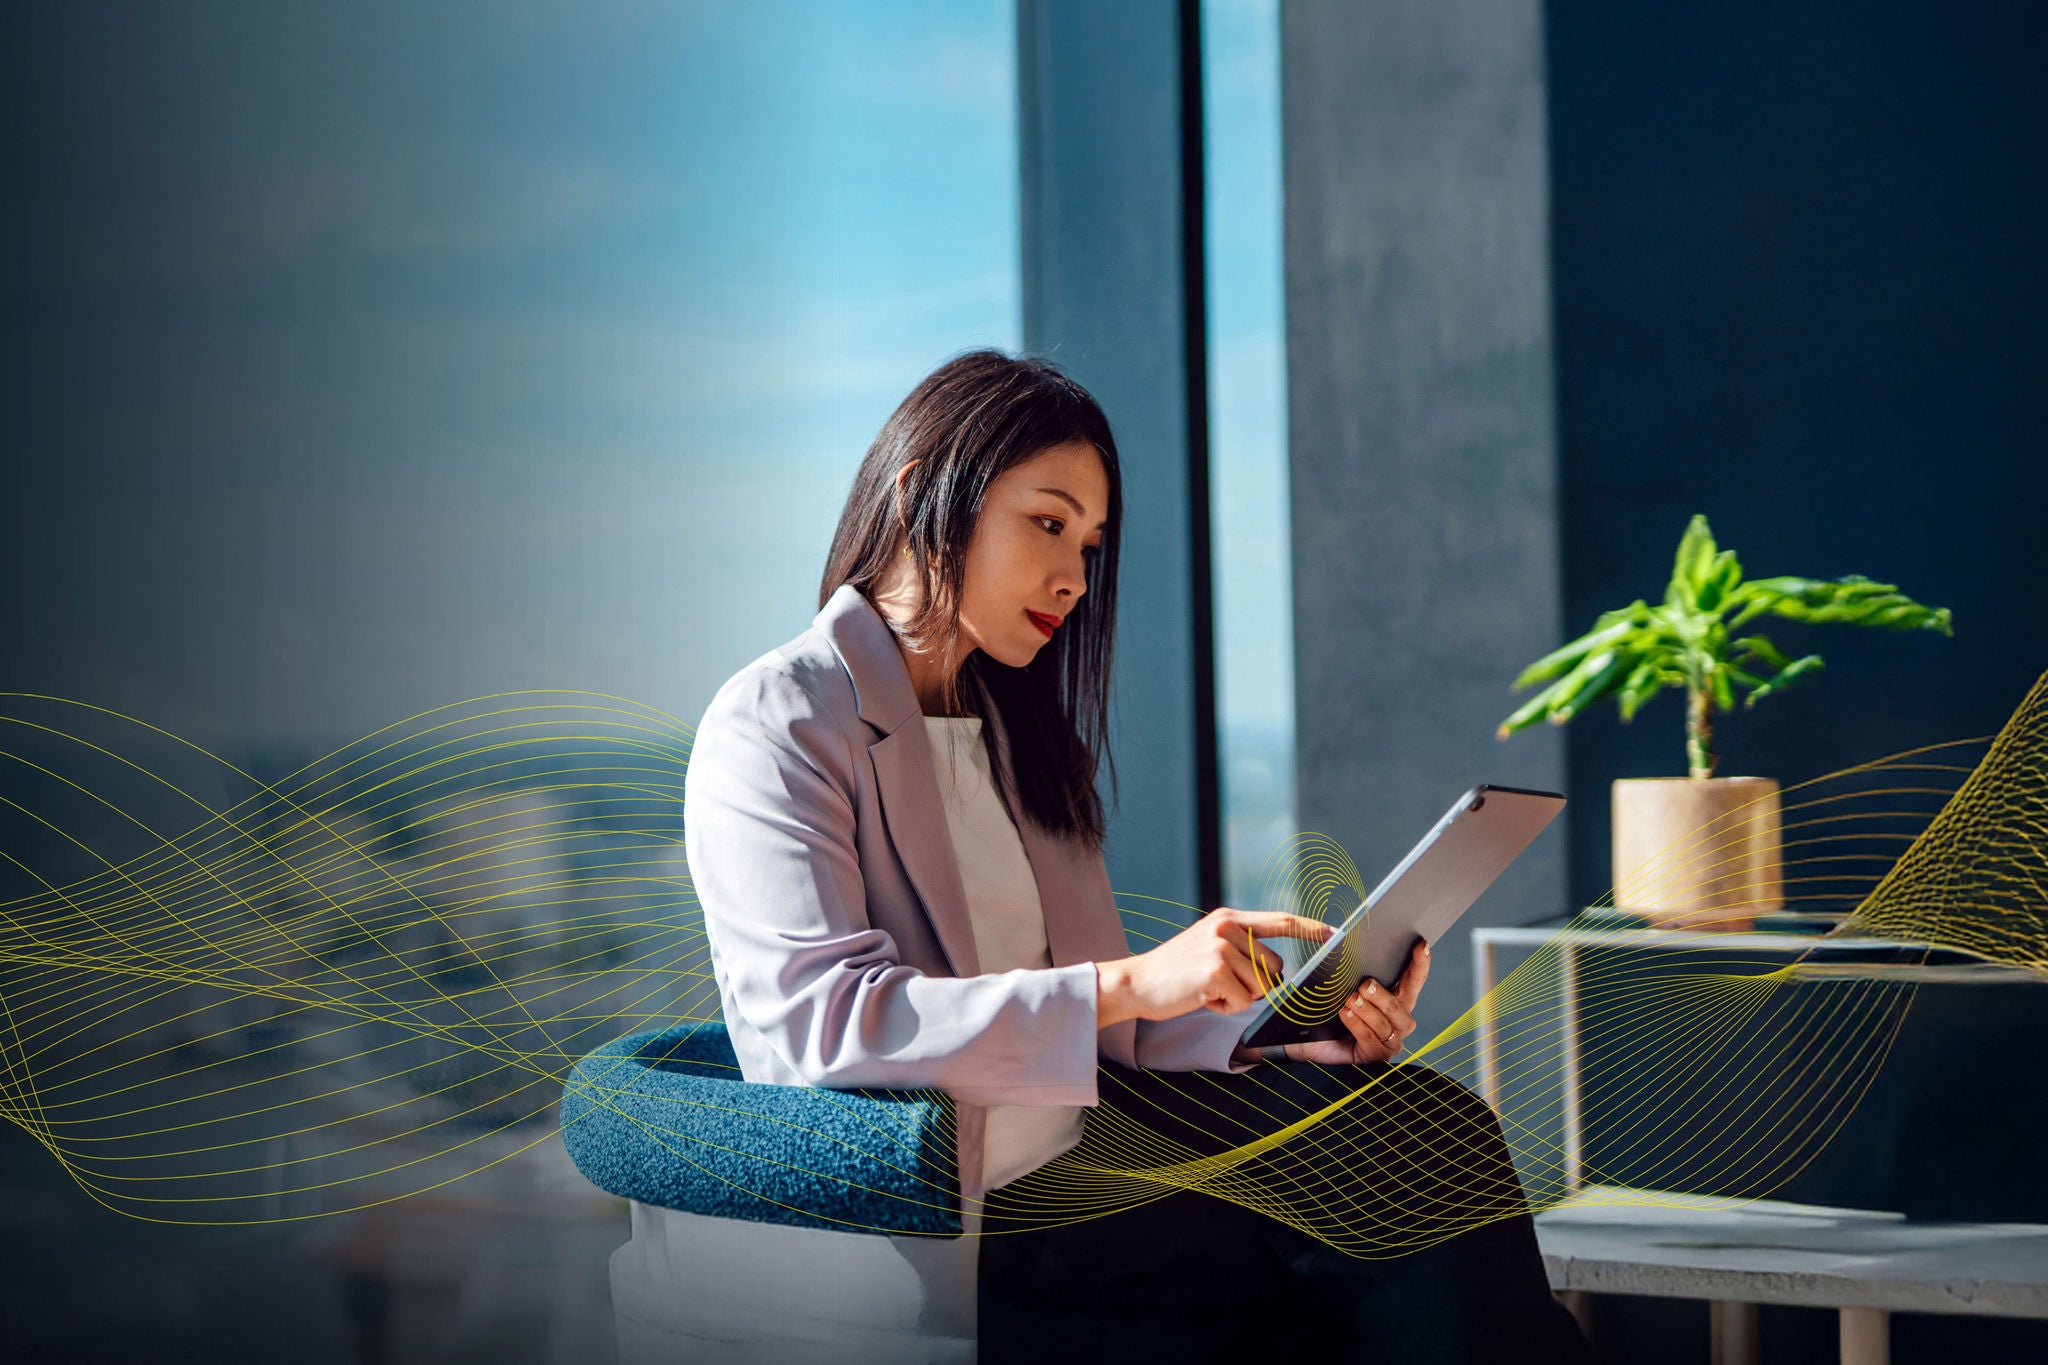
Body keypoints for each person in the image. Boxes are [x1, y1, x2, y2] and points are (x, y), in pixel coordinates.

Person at [683, 349, 1588, 1363]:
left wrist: (1295, 1033)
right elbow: (824, 1021)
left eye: (1089, 543)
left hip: (1102, 1150)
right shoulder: (780, 718)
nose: (1073, 574)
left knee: (1424, 1128)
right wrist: (1129, 981)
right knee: (1353, 1263)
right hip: (975, 1218)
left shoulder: (1016, 736)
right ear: (919, 496)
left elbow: (1107, 1031)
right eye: (1047, 522)